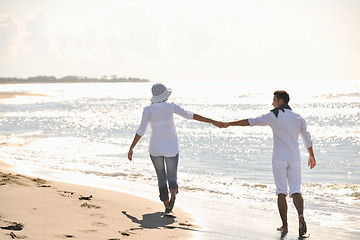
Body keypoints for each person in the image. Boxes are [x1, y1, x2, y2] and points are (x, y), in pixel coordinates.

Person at [222, 90, 316, 237]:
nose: (272, 103)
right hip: (295, 158)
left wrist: (229, 124)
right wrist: (311, 155)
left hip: (279, 158)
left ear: (281, 101)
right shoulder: (298, 117)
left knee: (281, 192)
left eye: (274, 100)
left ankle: (285, 226)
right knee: (296, 191)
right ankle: (300, 216)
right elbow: (306, 138)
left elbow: (250, 121)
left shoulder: (274, 115)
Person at [128, 83, 222, 213]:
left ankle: (167, 206)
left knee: (161, 176)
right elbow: (190, 115)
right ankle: (173, 193)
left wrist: (131, 147)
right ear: (165, 95)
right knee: (172, 175)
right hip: (171, 147)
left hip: (155, 148)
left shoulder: (148, 110)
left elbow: (141, 130)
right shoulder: (171, 107)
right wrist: (212, 121)